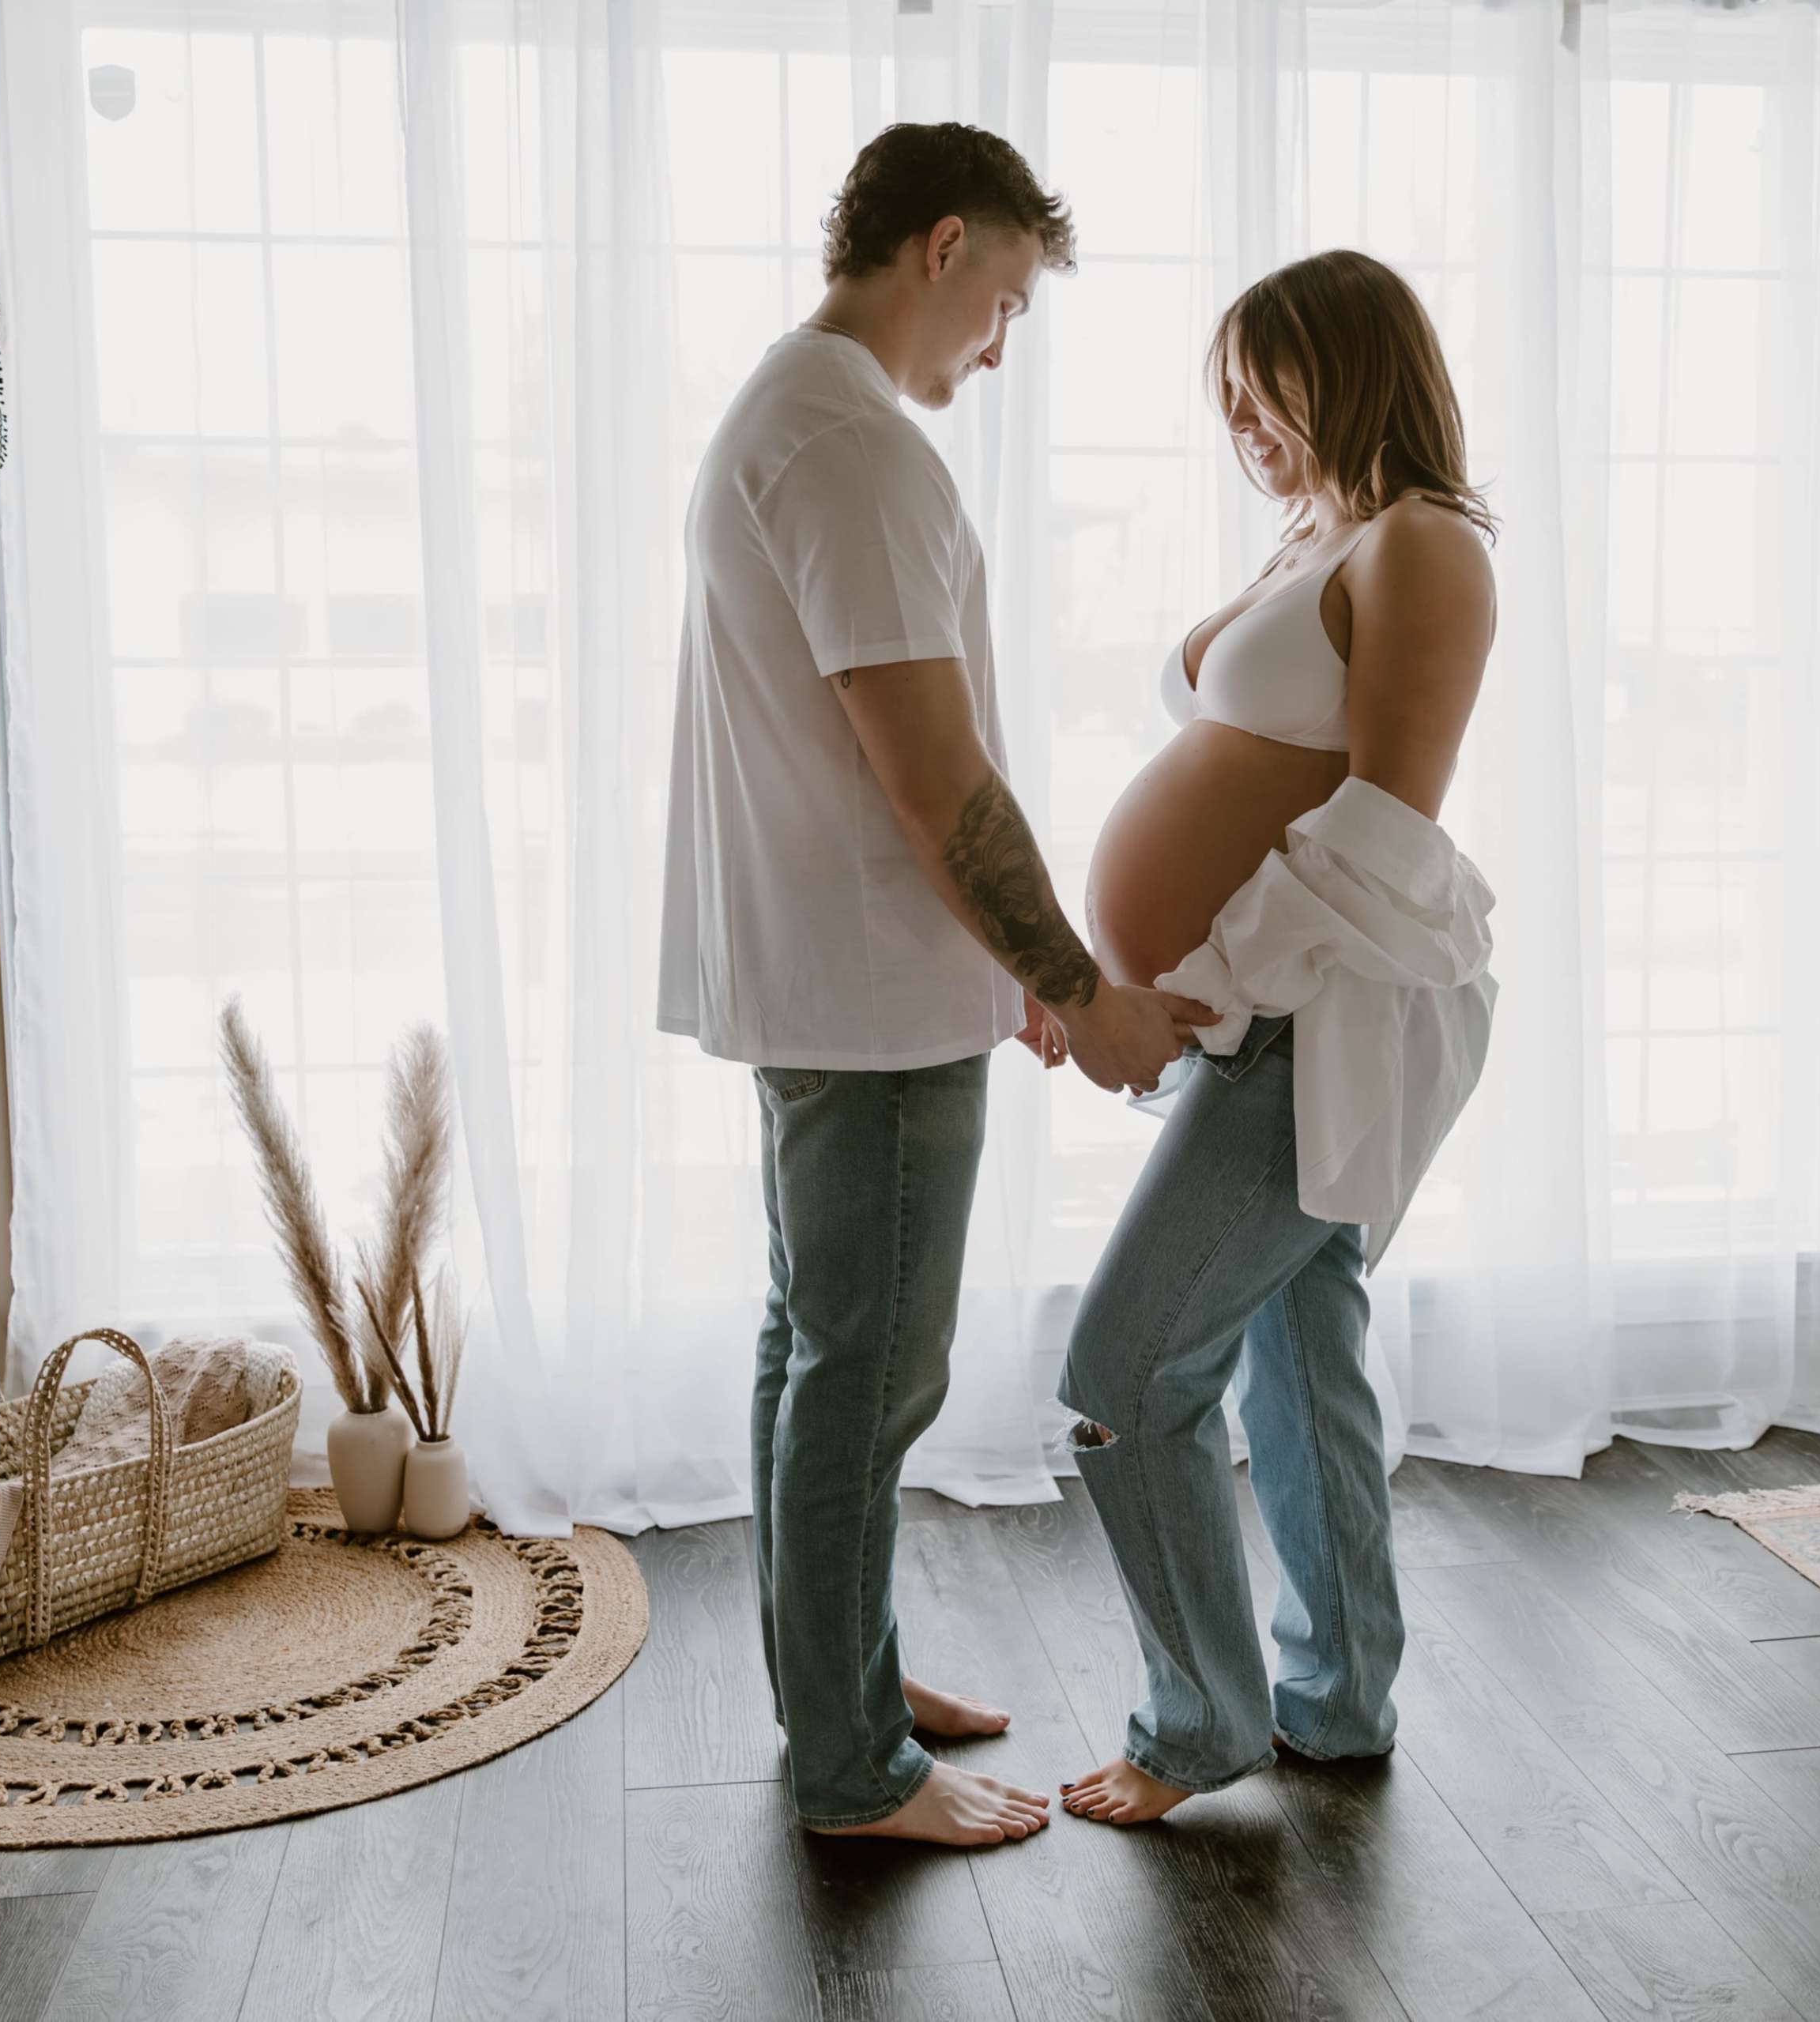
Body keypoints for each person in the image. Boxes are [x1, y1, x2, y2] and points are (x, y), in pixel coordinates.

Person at [658, 122, 1208, 1847]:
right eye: (1011, 299)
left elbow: (892, 765)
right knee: (867, 1372)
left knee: (812, 1349)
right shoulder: (854, 451)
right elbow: (936, 779)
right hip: (869, 1002)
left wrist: (1014, 965)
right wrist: (1087, 990)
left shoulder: (786, 415)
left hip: (837, 981)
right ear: (946, 245)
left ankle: (839, 1677)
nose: (1002, 340)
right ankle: (853, 1768)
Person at [1057, 249, 1502, 1825]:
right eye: (1225, 387)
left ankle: (1199, 1723)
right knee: (1299, 1356)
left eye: (1269, 377)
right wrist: (1102, 965)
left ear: (1356, 363)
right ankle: (1337, 1699)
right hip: (1258, 1017)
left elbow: (1386, 826)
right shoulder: (1311, 537)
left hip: (1310, 1024)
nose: (1241, 412)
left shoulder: (1424, 544)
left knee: (1122, 1365)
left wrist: (1202, 987)